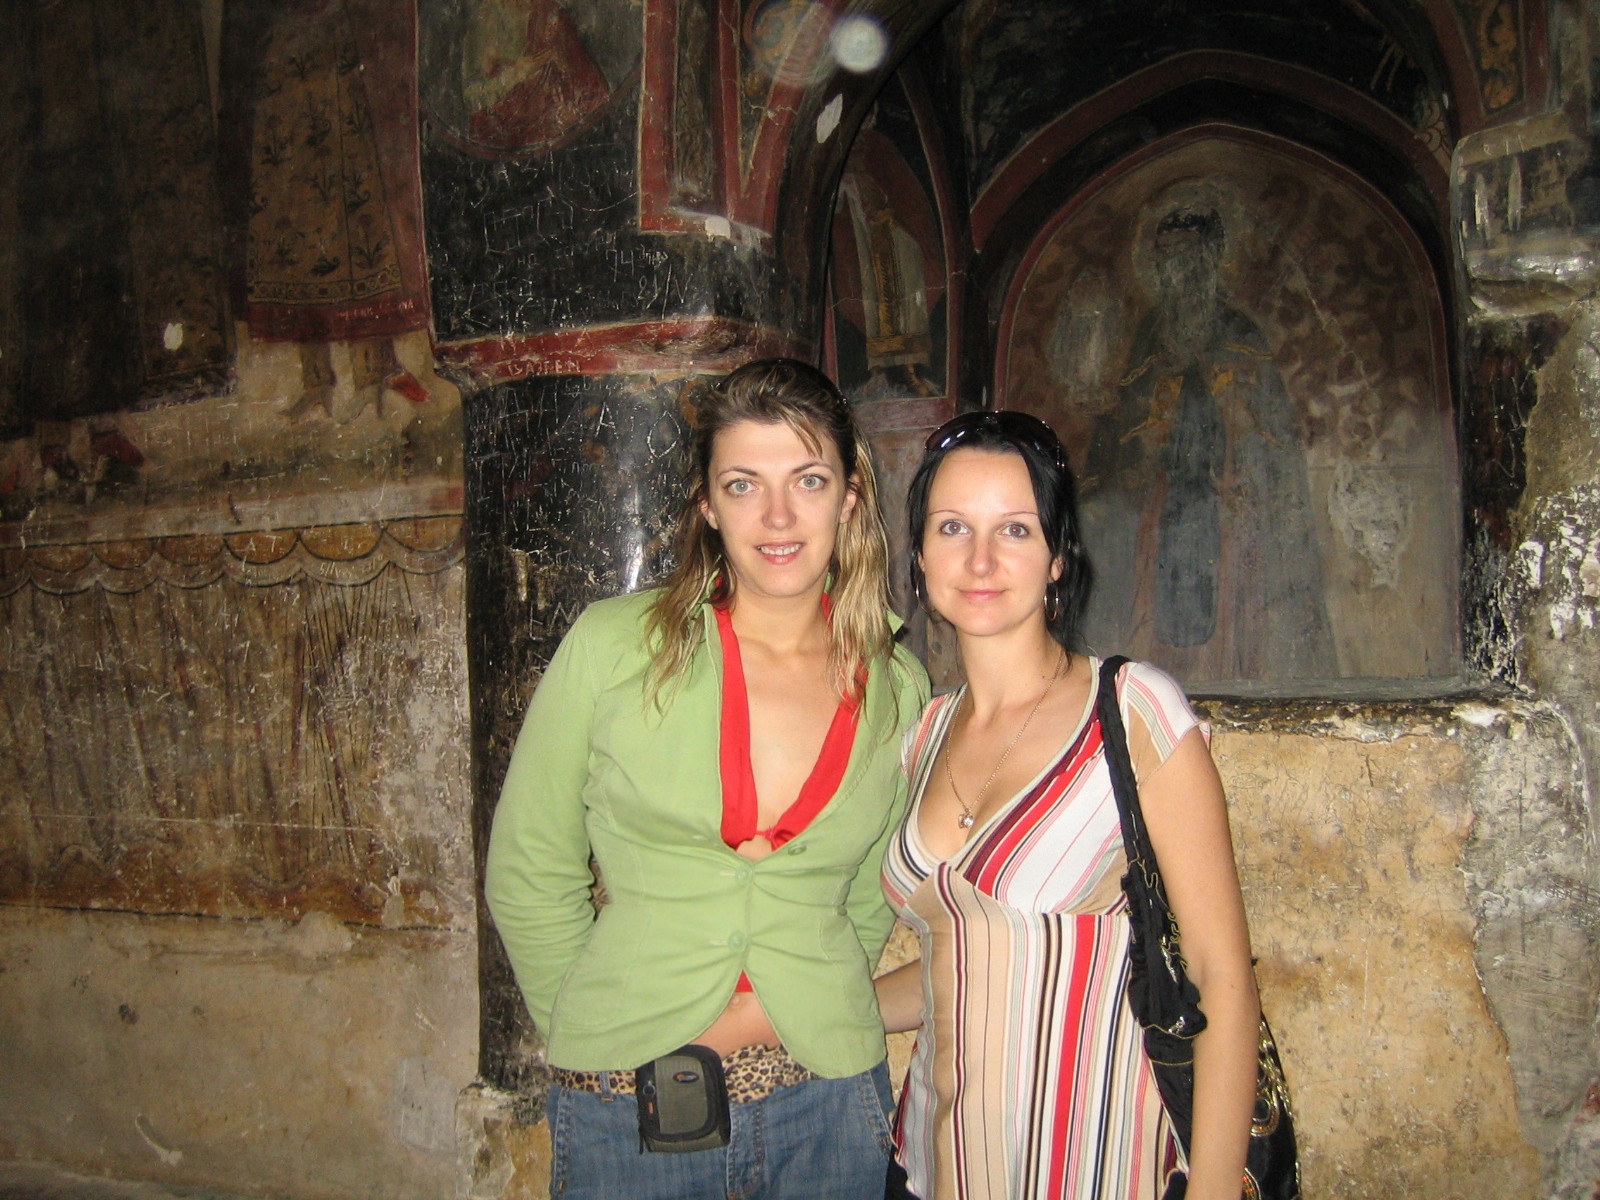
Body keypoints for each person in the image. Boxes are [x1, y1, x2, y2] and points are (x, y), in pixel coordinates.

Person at [485, 358, 929, 1200]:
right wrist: (593, 1022)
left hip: (829, 1102)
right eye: (742, 484)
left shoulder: (898, 685)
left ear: (850, 498)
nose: (777, 516)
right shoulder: (615, 647)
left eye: (808, 480)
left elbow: (877, 888)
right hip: (627, 1104)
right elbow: (527, 865)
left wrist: (822, 996)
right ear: (708, 505)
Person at [876, 410, 1260, 1200]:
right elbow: (967, 955)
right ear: (919, 556)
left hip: (1091, 1166)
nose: (980, 558)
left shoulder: (1132, 710)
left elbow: (1221, 974)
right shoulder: (924, 735)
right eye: (953, 527)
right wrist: (790, 1015)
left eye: (1015, 530)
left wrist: (1216, 1185)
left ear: (1057, 557)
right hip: (934, 1167)